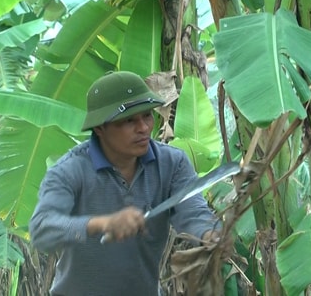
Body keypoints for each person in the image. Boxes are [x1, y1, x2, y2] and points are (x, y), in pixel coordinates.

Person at [29, 71, 221, 296]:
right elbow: (42, 229)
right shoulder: (70, 170)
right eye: (129, 120)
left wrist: (210, 234)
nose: (143, 128)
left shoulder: (171, 163)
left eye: (147, 116)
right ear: (100, 128)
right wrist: (100, 224)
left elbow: (193, 211)